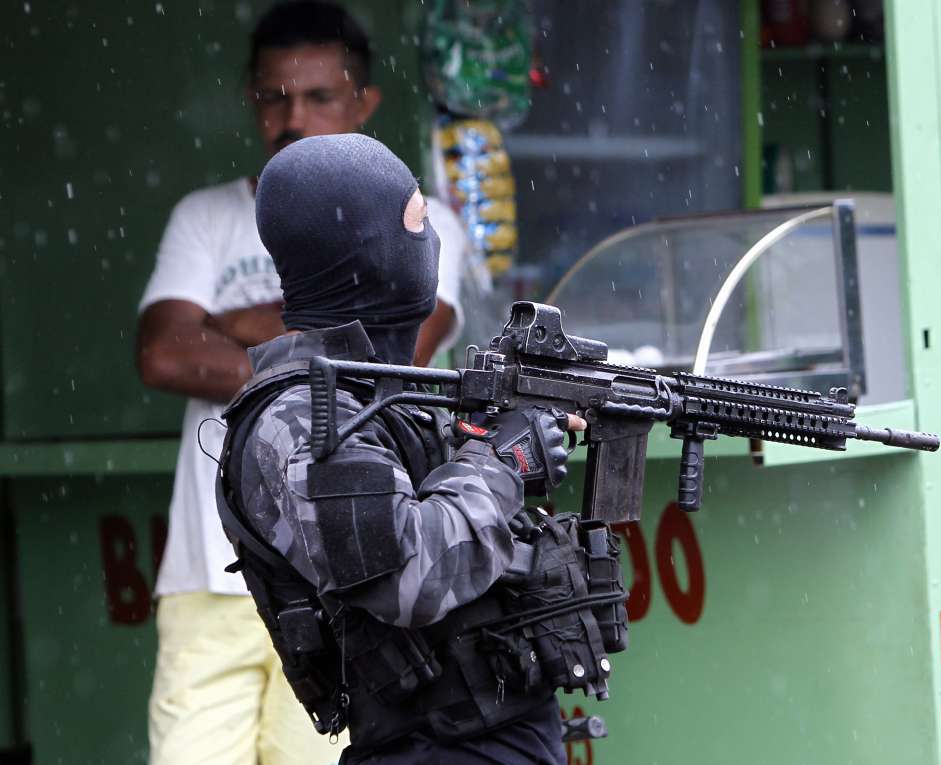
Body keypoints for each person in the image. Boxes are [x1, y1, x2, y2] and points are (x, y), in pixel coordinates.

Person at [216, 133, 619, 763]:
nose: (429, 242)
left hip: (487, 732)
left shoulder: (380, 388)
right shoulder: (302, 415)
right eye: (417, 220)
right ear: (368, 250)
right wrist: (504, 459)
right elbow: (410, 578)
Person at [135, 3, 467, 762]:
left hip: (341, 564)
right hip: (208, 570)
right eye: (275, 97)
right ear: (252, 102)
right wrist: (312, 347)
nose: (295, 117)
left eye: (320, 97)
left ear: (365, 103)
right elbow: (163, 354)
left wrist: (241, 323)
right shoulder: (208, 216)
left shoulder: (418, 212)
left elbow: (394, 354)